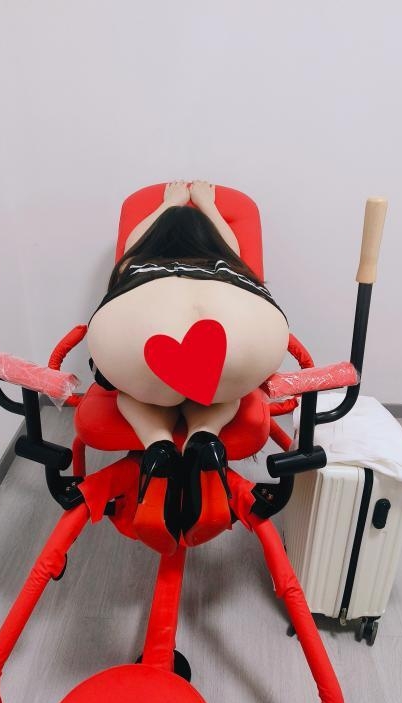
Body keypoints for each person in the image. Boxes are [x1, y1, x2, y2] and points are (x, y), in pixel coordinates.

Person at [87, 181, 289, 555]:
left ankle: (158, 447)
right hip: (243, 332)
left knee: (133, 394)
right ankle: (205, 438)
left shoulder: (136, 262)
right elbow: (231, 241)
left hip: (143, 341)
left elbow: (132, 241)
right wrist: (207, 204)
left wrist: (170, 203)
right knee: (225, 391)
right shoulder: (229, 262)